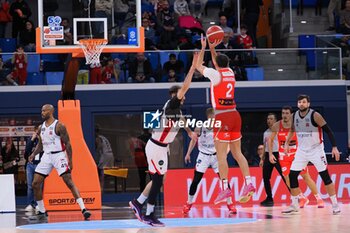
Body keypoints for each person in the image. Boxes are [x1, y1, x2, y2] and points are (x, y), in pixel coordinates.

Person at [129, 53, 198, 227]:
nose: (185, 96)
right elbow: (186, 86)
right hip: (156, 147)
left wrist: (189, 132)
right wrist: (192, 68)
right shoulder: (173, 104)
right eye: (181, 94)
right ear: (175, 95)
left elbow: (182, 121)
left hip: (160, 147)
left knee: (160, 179)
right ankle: (148, 214)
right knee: (158, 180)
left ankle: (138, 203)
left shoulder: (177, 110)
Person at [195, 35, 255, 205]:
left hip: (222, 116)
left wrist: (204, 47)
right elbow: (217, 62)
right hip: (235, 114)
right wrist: (213, 49)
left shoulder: (215, 75)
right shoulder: (230, 72)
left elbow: (199, 66)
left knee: (221, 155)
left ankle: (224, 188)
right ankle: (249, 183)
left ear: (217, 65)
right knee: (237, 153)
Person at [29, 104, 91, 221]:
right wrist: (33, 154)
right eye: (41, 110)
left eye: (44, 111)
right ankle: (42, 211)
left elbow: (68, 143)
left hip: (59, 155)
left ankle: (84, 209)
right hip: (47, 156)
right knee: (35, 184)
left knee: (69, 182)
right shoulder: (40, 127)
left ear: (51, 111)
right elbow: (41, 145)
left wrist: (70, 161)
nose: (42, 113)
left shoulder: (59, 126)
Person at [282, 95, 341, 214]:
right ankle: (294, 204)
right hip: (302, 151)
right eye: (299, 102)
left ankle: (335, 204)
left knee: (325, 177)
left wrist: (334, 147)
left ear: (308, 104)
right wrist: (287, 143)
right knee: (292, 175)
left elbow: (328, 130)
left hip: (316, 150)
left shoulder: (315, 115)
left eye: (304, 102)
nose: (301, 104)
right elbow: (293, 130)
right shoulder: (294, 116)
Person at [182, 108, 236, 215]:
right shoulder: (200, 127)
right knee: (196, 180)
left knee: (224, 179)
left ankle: (230, 204)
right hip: (203, 156)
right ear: (210, 117)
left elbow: (228, 143)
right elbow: (193, 140)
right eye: (215, 117)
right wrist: (188, 153)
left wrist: (225, 153)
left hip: (216, 156)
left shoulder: (220, 127)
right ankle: (189, 203)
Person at [268, 106, 324, 209]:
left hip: (297, 155)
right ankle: (302, 197)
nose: (284, 115)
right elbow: (270, 139)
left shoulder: (297, 124)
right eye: (283, 113)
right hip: (284, 157)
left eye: (286, 113)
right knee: (287, 178)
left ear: (291, 114)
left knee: (306, 176)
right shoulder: (277, 125)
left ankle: (318, 198)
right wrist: (271, 154)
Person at [260, 113, 286, 207]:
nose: (269, 121)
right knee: (266, 178)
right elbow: (264, 146)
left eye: (271, 119)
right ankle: (269, 198)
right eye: (268, 119)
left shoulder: (279, 131)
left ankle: (295, 196)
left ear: (275, 120)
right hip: (268, 155)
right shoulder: (266, 132)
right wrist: (262, 159)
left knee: (284, 176)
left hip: (278, 154)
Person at [24, 125, 43, 212]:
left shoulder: (43, 140)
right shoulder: (30, 140)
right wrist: (32, 139)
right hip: (30, 165)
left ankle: (38, 204)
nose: (37, 133)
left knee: (38, 185)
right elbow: (27, 150)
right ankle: (31, 204)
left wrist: (40, 139)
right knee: (30, 186)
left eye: (38, 131)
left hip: (40, 165)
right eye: (36, 131)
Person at [95, 125, 114, 190]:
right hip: (110, 154)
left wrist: (95, 149)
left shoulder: (98, 138)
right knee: (105, 171)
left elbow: (99, 146)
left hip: (105, 155)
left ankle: (101, 189)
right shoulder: (103, 137)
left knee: (101, 172)